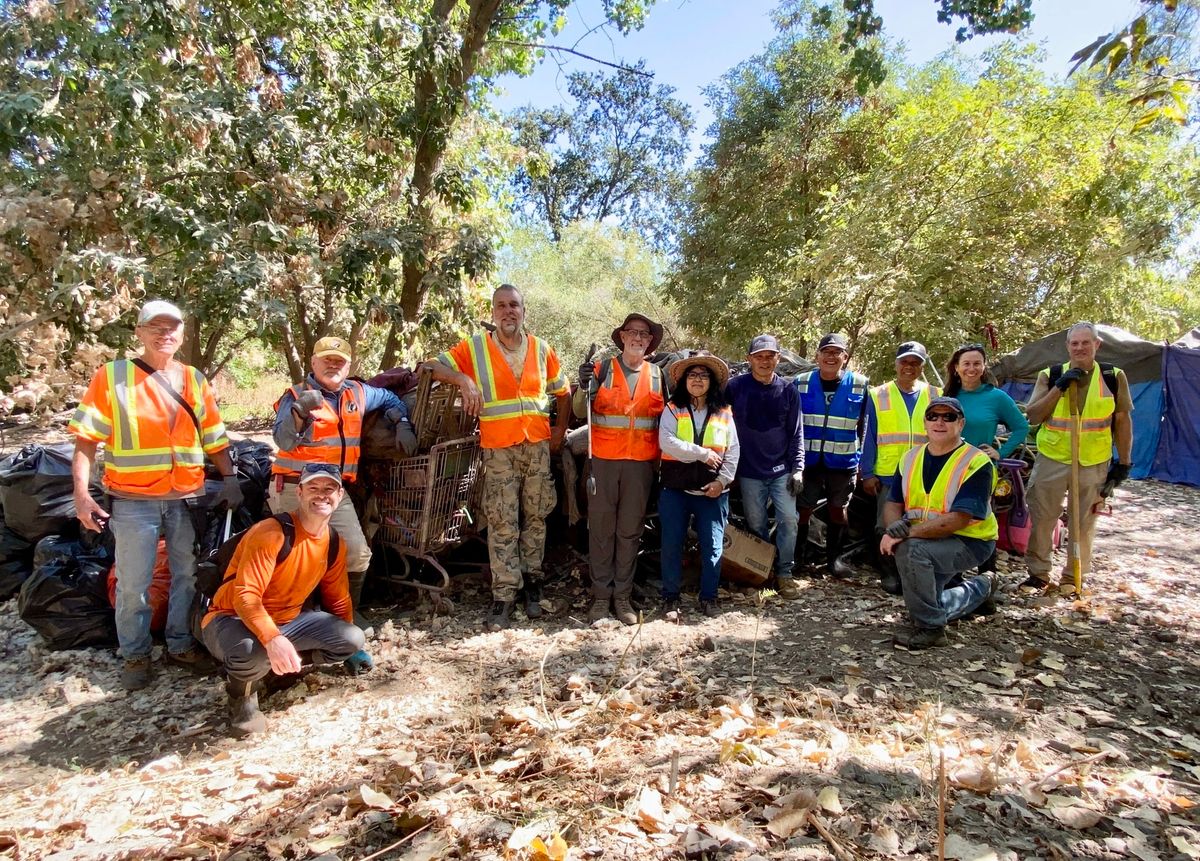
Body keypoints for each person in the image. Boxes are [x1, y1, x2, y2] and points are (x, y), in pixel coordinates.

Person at [69, 299, 242, 691]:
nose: (165, 334)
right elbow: (85, 441)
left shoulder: (194, 380)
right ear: (139, 332)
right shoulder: (112, 377)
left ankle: (180, 645)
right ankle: (135, 655)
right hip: (133, 501)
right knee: (134, 582)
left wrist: (229, 477)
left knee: (186, 574)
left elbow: (214, 437)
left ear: (182, 333)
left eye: (172, 328)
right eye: (155, 327)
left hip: (186, 498)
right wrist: (82, 493)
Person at [422, 284, 570, 631]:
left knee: (536, 516)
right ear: (493, 313)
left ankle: (533, 585)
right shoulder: (474, 348)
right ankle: (504, 595)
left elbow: (563, 393)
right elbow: (428, 367)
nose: (508, 311)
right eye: (501, 306)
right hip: (498, 448)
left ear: (523, 311)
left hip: (536, 446)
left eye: (514, 305)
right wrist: (462, 380)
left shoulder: (541, 349)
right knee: (503, 520)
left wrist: (559, 433)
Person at [200, 463, 371, 736]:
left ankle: (276, 668)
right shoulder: (271, 533)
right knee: (250, 652)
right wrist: (272, 639)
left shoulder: (334, 542)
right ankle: (242, 699)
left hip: (289, 620)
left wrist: (353, 652)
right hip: (229, 617)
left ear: (339, 496)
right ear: (300, 493)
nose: (321, 495)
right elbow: (246, 596)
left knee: (352, 638)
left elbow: (338, 598)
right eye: (313, 488)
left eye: (329, 489)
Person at [271, 335, 414, 612]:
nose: (333, 366)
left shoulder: (358, 392)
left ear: (348, 366)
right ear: (313, 362)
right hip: (295, 489)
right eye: (327, 360)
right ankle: (294, 618)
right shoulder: (295, 395)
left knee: (357, 554)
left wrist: (402, 422)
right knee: (300, 559)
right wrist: (300, 412)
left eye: (339, 361)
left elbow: (389, 398)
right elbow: (283, 440)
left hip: (334, 492)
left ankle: (344, 615)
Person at [879, 396, 998, 649]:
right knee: (933, 604)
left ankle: (931, 629)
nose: (940, 422)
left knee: (910, 552)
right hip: (930, 538)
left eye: (949, 417)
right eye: (933, 416)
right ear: (925, 422)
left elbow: (958, 519)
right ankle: (983, 587)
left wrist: (905, 534)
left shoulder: (976, 462)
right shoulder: (910, 458)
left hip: (970, 542)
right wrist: (892, 527)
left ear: (961, 423)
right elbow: (892, 504)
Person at [1021, 322, 1133, 589]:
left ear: (1097, 345)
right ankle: (1038, 572)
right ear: (1067, 347)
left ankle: (1074, 576)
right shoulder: (1050, 374)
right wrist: (1059, 387)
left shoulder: (1112, 376)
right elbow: (1034, 415)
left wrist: (1124, 462)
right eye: (1075, 343)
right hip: (1053, 456)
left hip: (1093, 460)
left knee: (1083, 522)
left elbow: (1122, 420)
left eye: (1086, 342)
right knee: (1042, 517)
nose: (1080, 347)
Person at [576, 313, 668, 625]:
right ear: (623, 336)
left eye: (645, 334)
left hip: (640, 467)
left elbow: (666, 423)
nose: (638, 338)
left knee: (629, 531)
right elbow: (579, 410)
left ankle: (622, 598)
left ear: (650, 343)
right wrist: (582, 384)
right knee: (602, 530)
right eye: (633, 332)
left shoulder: (658, 376)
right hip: (602, 462)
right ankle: (601, 598)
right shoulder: (602, 370)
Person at [658, 351, 740, 620]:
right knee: (671, 544)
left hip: (713, 493)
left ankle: (709, 598)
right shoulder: (672, 409)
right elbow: (666, 442)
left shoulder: (725, 413)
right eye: (692, 375)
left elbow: (733, 451)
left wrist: (721, 481)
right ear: (684, 381)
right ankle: (670, 599)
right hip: (675, 491)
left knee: (713, 546)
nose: (697, 380)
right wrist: (701, 453)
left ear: (712, 382)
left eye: (703, 376)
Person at [726, 334, 804, 598]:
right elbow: (717, 420)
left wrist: (799, 468)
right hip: (748, 471)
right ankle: (762, 570)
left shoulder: (788, 390)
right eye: (759, 357)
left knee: (789, 521)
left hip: (781, 470)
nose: (764, 361)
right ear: (749, 360)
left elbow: (796, 433)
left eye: (770, 356)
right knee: (756, 524)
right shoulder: (734, 388)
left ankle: (785, 574)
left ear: (778, 359)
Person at [861, 341, 940, 593]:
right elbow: (867, 436)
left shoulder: (935, 394)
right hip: (887, 472)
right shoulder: (878, 394)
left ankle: (916, 572)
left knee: (921, 523)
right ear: (896, 364)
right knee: (885, 524)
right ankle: (888, 573)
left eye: (915, 362)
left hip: (924, 472)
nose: (909, 367)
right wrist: (868, 472)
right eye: (905, 361)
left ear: (922, 366)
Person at [794, 333, 869, 579]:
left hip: (843, 461)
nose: (831, 357)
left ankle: (833, 561)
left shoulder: (860, 384)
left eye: (837, 353)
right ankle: (799, 559)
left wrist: (861, 460)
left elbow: (865, 426)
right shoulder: (800, 382)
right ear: (817, 356)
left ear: (845, 358)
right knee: (803, 510)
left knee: (839, 510)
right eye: (826, 352)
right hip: (808, 460)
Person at [942, 343, 1029, 462]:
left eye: (977, 364)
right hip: (947, 464)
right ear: (957, 367)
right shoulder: (945, 396)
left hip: (979, 467)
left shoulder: (997, 397)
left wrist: (1001, 453)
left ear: (984, 367)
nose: (971, 368)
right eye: (966, 364)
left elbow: (1022, 427)